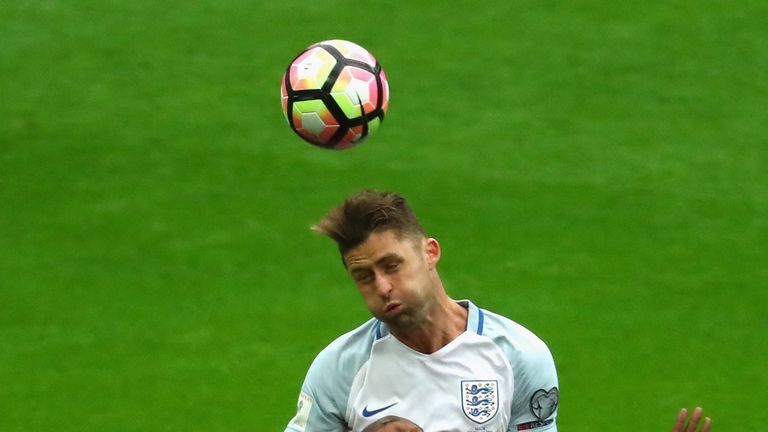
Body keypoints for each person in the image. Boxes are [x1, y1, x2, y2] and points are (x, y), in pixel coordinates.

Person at [285, 190, 560, 432]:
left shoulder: (518, 356)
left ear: (430, 252)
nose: (382, 287)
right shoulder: (339, 369)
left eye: (392, 265)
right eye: (364, 276)